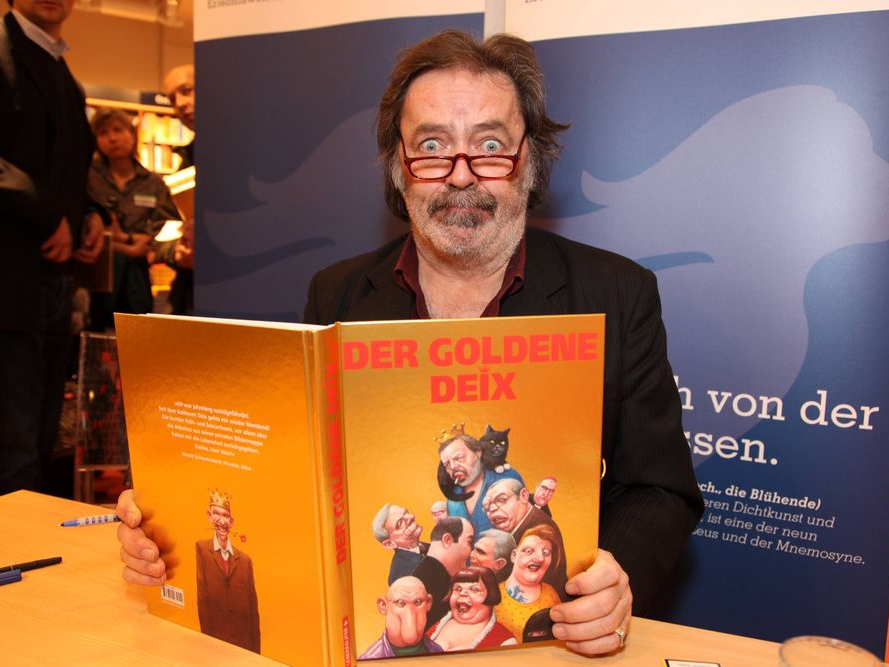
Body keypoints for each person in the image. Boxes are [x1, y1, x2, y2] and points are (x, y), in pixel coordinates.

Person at [117, 29, 703, 656]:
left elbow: (660, 490)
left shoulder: (617, 293)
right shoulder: (336, 296)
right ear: (399, 168)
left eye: (490, 146)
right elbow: (295, 489)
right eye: (431, 146)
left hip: (548, 642)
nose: (460, 175)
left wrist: (614, 579)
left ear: (529, 162)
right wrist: (165, 523)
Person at [0, 0, 103, 500]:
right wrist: (49, 214)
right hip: (2, 284)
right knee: (10, 453)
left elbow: (69, 169)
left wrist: (90, 215)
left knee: (43, 446)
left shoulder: (66, 73)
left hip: (56, 286)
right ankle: (3, 550)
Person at [86, 108, 180, 331]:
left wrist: (132, 241)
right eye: (103, 132)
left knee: (137, 331)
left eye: (118, 129)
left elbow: (167, 227)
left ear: (132, 133)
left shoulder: (152, 182)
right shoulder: (88, 177)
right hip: (95, 273)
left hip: (137, 275)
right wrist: (126, 244)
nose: (112, 138)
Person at [152, 63, 195, 315]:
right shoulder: (183, 161)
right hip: (190, 295)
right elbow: (160, 228)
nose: (179, 104)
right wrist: (177, 251)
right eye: (172, 99)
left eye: (187, 90)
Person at [194, 489, 261, 653]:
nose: (221, 521)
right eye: (216, 513)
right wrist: (207, 646)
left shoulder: (245, 561)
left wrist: (256, 655)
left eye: (225, 516)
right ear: (209, 516)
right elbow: (203, 602)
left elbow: (253, 612)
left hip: (244, 647)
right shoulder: (201, 549)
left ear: (231, 522)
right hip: (216, 646)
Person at [482, 478, 568, 600]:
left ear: (523, 496)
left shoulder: (542, 529)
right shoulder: (507, 529)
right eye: (487, 507)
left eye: (501, 500)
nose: (492, 509)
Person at [438, 429, 522, 536]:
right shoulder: (453, 500)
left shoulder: (508, 477)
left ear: (478, 453)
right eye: (447, 464)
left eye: (459, 458)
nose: (453, 467)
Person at [494, 525, 563, 642]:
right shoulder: (493, 595)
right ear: (514, 556)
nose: (540, 558)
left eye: (546, 553)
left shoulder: (550, 593)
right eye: (529, 551)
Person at [425, 566, 517, 650]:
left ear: (491, 595)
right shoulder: (435, 627)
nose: (462, 593)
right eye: (458, 589)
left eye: (474, 589)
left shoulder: (505, 642)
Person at [358, 576, 443, 659]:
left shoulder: (437, 651)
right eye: (400, 603)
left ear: (428, 603)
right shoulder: (371, 660)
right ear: (383, 605)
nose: (410, 614)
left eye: (418, 602)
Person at [371, 503, 428, 584]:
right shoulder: (399, 578)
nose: (411, 517)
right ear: (389, 544)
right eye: (400, 522)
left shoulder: (429, 546)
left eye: (406, 513)